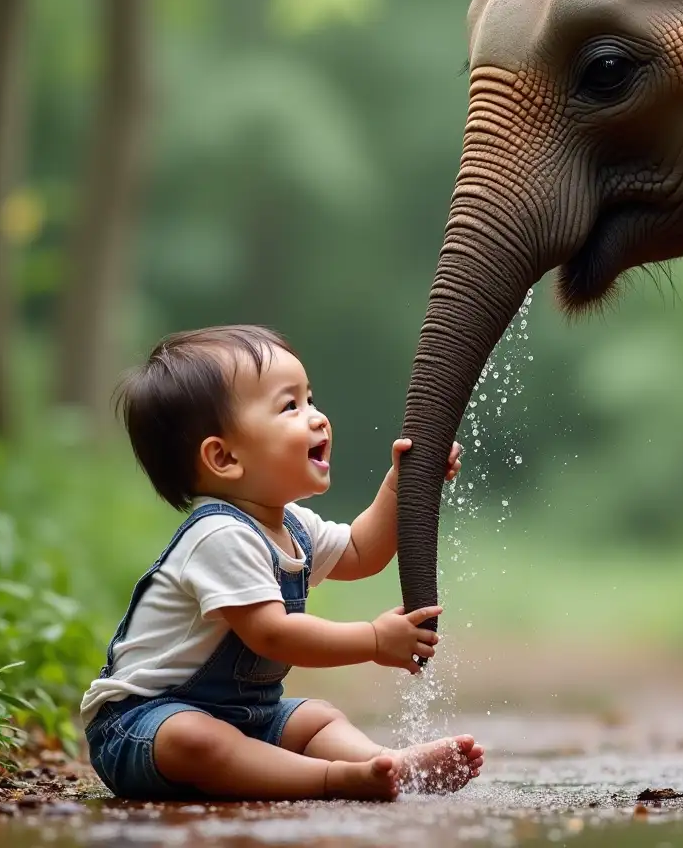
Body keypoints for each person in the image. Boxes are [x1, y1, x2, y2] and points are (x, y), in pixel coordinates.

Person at [81, 324, 484, 801]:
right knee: (195, 738)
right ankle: (337, 779)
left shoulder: (292, 524)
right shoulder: (219, 536)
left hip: (248, 718)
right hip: (143, 727)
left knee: (317, 717)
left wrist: (401, 485)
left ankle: (385, 762)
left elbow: (360, 551)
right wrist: (374, 639)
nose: (317, 418)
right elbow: (272, 634)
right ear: (224, 456)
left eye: (309, 398)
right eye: (289, 406)